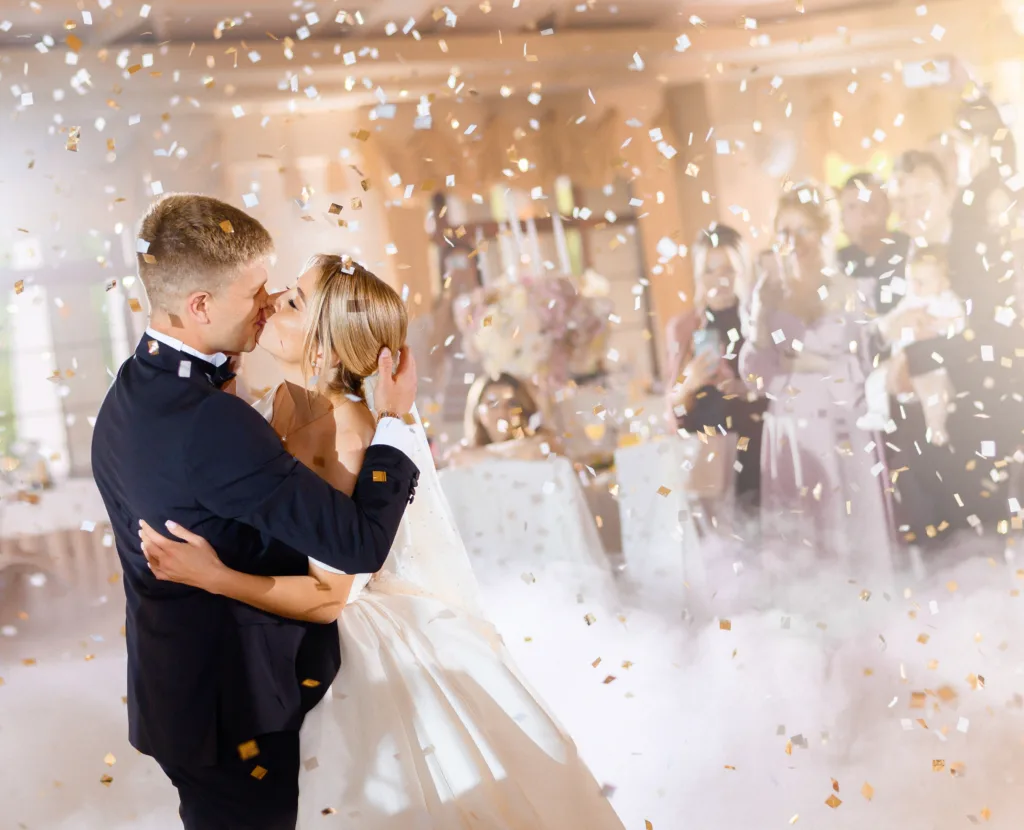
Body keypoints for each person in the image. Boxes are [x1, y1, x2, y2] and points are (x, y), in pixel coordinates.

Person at [137, 254, 627, 829]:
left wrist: (214, 576)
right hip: (269, 647)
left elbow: (330, 596)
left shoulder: (348, 429)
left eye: (292, 301)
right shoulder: (277, 401)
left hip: (344, 645)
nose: (270, 301)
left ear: (326, 346)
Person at [91, 195, 420, 830]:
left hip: (176, 695)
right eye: (258, 293)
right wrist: (398, 422)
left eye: (283, 293)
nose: (268, 302)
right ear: (200, 307)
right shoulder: (217, 423)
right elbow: (356, 544)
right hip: (234, 708)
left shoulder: (130, 390)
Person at [739, 183, 892, 576]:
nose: (793, 241)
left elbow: (866, 369)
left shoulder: (853, 290)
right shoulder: (769, 295)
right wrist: (761, 318)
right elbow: (754, 374)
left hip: (841, 426)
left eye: (803, 229)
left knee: (848, 536)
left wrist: (800, 362)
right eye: (784, 232)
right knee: (799, 542)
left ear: (824, 231)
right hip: (790, 431)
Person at [664, 224, 766, 521]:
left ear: (743, 271)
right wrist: (689, 382)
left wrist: (746, 389)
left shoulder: (760, 323)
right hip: (707, 455)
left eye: (728, 269)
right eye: (708, 270)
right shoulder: (684, 328)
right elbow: (673, 411)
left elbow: (782, 389)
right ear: (697, 276)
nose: (718, 280)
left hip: (756, 448)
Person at [856, 246, 965, 445]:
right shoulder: (910, 300)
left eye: (921, 282)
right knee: (875, 381)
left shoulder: (946, 302)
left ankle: (936, 428)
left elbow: (958, 323)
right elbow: (892, 319)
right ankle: (878, 414)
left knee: (934, 398)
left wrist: (936, 324)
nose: (915, 286)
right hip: (897, 359)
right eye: (912, 280)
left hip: (930, 366)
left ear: (942, 283)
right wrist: (884, 325)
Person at [447, 371, 561, 467]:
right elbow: (454, 459)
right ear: (478, 412)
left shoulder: (543, 441)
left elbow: (538, 450)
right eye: (492, 404)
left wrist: (477, 455)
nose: (502, 412)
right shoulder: (463, 449)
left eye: (511, 403)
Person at [837, 171, 910, 314]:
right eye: (852, 207)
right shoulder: (835, 264)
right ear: (842, 216)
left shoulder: (911, 251)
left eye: (871, 204)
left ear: (888, 207)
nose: (863, 214)